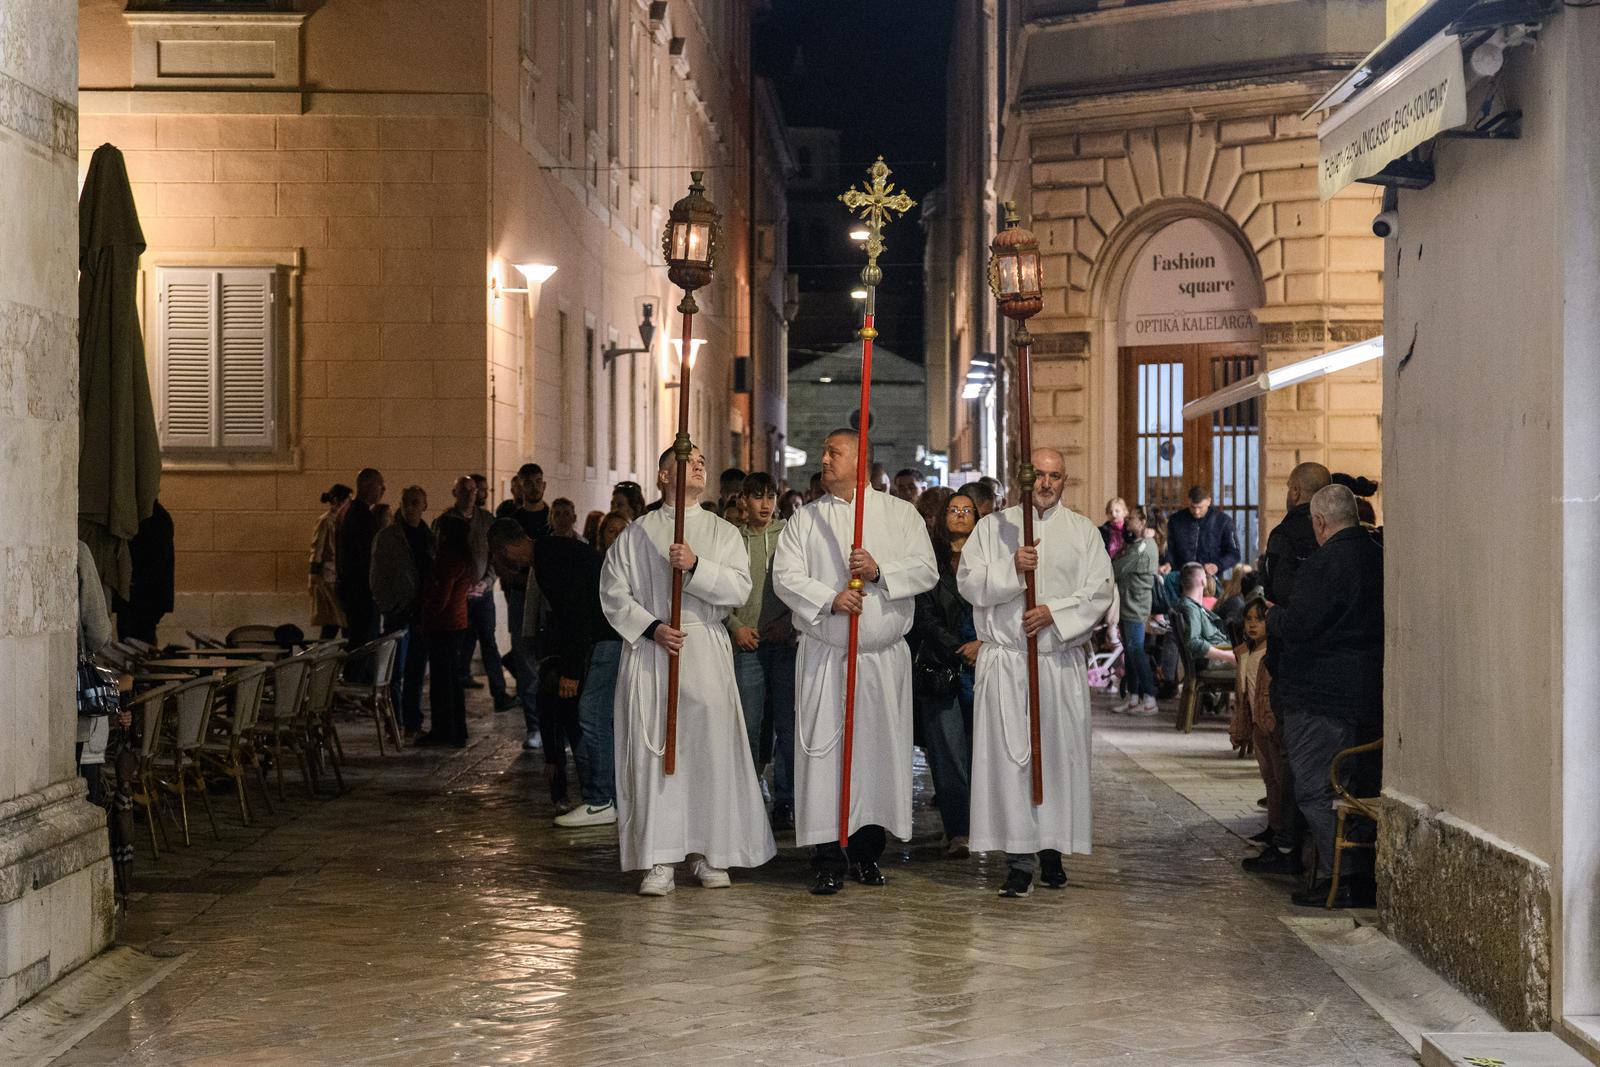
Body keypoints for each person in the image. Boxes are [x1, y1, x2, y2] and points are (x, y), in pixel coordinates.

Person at [600, 446, 774, 895]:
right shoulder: (637, 534)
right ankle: (658, 857)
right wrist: (652, 627)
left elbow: (738, 585)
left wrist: (695, 566)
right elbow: (614, 593)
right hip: (654, 651)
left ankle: (708, 851)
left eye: (701, 458)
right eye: (687, 458)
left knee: (709, 751)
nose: (698, 462)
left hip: (705, 648)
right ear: (662, 474)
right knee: (656, 751)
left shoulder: (721, 531)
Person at [774, 428, 938, 895]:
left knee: (875, 756)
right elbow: (785, 578)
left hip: (881, 660)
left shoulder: (899, 515)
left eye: (834, 452)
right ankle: (827, 855)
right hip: (827, 658)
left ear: (861, 459)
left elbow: (926, 569)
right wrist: (830, 599)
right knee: (825, 755)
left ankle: (867, 852)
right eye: (824, 453)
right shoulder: (805, 520)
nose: (823, 460)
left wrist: (879, 572)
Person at [958, 449, 1114, 897]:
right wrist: (1012, 569)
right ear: (1025, 479)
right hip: (1008, 663)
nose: (1046, 483)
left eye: (1055, 476)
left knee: (1057, 758)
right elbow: (968, 580)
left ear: (1065, 480)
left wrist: (1053, 613)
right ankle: (1019, 856)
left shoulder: (1082, 531)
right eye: (1040, 475)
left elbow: (1099, 591)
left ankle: (1052, 850)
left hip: (1055, 662)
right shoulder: (994, 527)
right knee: (1012, 759)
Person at [1267, 484, 1383, 907]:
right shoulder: (1378, 555)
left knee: (1319, 788)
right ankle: (1364, 874)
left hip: (1322, 697)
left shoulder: (1323, 564)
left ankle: (1344, 878)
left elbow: (1301, 625)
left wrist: (1274, 617)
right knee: (1360, 786)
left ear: (1319, 522)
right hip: (1369, 692)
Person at [910, 489, 981, 857]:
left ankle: (985, 823)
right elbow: (923, 614)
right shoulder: (929, 563)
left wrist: (982, 643)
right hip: (942, 667)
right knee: (947, 751)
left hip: (983, 668)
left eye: (967, 510)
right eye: (953, 509)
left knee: (979, 750)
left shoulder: (988, 563)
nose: (960, 515)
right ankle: (958, 830)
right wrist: (957, 647)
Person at [726, 472, 797, 831]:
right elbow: (717, 590)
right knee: (749, 723)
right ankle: (750, 792)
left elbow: (801, 581)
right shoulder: (731, 539)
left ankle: (786, 798)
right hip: (748, 644)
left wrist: (789, 622)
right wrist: (736, 626)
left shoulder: (788, 535)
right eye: (757, 497)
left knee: (787, 725)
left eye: (770, 496)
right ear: (743, 501)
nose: (765, 504)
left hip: (783, 643)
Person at [555, 510, 630, 828]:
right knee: (601, 719)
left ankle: (602, 798)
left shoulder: (633, 566)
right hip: (602, 644)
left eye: (620, 530)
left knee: (594, 714)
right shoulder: (598, 565)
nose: (615, 536)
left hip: (615, 644)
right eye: (610, 531)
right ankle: (606, 794)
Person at [438, 476, 512, 710]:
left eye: (473, 490)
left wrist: (486, 582)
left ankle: (499, 694)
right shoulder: (445, 521)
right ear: (455, 492)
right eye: (464, 490)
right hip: (456, 595)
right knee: (458, 643)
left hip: (483, 593)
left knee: (488, 642)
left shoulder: (487, 521)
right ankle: (455, 693)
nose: (470, 494)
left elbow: (494, 556)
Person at [1236, 597, 1296, 875]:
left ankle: (1282, 832)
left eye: (1258, 619)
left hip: (1270, 725)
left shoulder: (1269, 655)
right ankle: (1273, 827)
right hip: (1258, 725)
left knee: (1279, 779)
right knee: (1269, 779)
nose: (1252, 624)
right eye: (1248, 619)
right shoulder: (1246, 654)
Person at [371, 485, 434, 738]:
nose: (410, 507)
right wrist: (389, 605)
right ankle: (394, 721)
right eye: (406, 501)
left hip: (422, 613)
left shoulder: (429, 537)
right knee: (395, 670)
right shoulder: (388, 538)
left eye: (415, 502)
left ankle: (412, 720)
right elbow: (377, 577)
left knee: (417, 670)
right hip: (398, 612)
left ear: (424, 506)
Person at [418, 515, 474, 747]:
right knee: (452, 680)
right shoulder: (464, 557)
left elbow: (441, 596)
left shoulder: (448, 559)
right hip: (457, 622)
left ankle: (443, 730)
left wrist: (425, 616)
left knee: (442, 682)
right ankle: (457, 729)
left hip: (443, 624)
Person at [488, 520, 541, 750]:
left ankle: (552, 727)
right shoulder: (513, 521)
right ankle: (535, 727)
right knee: (527, 667)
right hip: (520, 599)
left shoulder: (542, 547)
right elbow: (504, 573)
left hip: (540, 602)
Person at [1111, 505, 1159, 715]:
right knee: (1130, 653)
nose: (1127, 522)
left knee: (1136, 651)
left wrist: (1117, 562)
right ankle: (1133, 696)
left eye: (1131, 518)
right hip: (1128, 603)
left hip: (1135, 605)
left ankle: (1149, 698)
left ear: (1142, 522)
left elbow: (1118, 568)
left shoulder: (1145, 546)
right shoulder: (1137, 544)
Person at [1262, 463, 1330, 605]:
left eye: (1289, 488)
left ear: (1295, 491)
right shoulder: (1337, 529)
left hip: (1296, 622)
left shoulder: (1284, 534)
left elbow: (1278, 590)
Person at [337, 467, 385, 648]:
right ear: (367, 486)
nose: (384, 489)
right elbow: (368, 555)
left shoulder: (346, 510)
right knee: (364, 645)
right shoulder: (363, 515)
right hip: (362, 591)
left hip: (350, 589)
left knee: (355, 640)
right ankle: (358, 677)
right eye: (380, 484)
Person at [114, 499, 174, 645]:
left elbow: (152, 561)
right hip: (147, 595)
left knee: (135, 640)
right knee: (142, 638)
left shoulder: (149, 517)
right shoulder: (156, 516)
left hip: (140, 594)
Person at [1165, 485, 1240, 576]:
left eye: (1200, 507)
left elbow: (1234, 553)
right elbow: (1168, 547)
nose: (1196, 511)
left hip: (1210, 579)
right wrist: (1167, 562)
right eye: (1193, 507)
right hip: (1180, 576)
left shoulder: (1224, 521)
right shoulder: (1175, 520)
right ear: (1188, 501)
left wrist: (1218, 565)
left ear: (1209, 501)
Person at [307, 485, 350, 640]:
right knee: (340, 619)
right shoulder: (325, 520)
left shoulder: (341, 519)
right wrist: (313, 577)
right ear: (338, 500)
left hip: (336, 575)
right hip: (327, 576)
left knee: (333, 623)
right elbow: (316, 547)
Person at [1174, 562, 1236, 667]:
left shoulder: (1191, 605)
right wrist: (1228, 656)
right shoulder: (1190, 608)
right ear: (1203, 581)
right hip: (1215, 659)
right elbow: (1193, 642)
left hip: (1220, 653)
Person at [512, 462, 551, 539]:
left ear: (544, 485)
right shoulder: (514, 522)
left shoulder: (553, 520)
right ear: (521, 488)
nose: (535, 487)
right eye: (529, 483)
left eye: (538, 481)